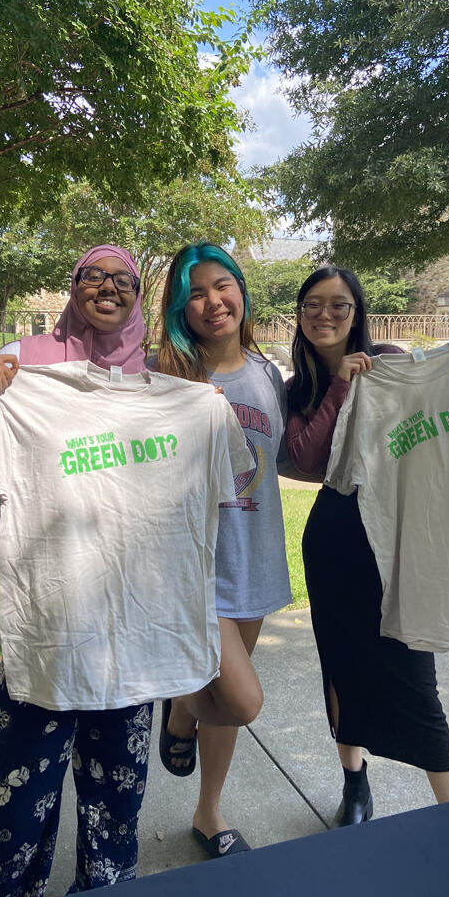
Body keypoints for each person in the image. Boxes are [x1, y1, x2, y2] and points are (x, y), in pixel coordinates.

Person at [0, 245, 252, 897]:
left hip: (135, 634)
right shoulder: (25, 369)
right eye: (92, 276)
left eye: (123, 280)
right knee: (16, 795)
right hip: (52, 627)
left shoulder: (169, 388)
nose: (106, 288)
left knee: (117, 796)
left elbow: (238, 477)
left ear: (138, 296)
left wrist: (211, 414)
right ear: (73, 285)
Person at [285, 265, 449, 827]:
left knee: (412, 669)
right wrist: (341, 386)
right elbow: (309, 460)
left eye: (339, 305)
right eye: (313, 304)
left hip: (399, 536)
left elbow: (438, 404)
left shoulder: (391, 358)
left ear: (358, 313)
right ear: (301, 316)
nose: (326, 315)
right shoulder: (301, 385)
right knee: (341, 667)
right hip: (336, 539)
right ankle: (355, 784)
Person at [154, 241, 293, 858]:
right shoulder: (164, 378)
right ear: (180, 311)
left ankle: (208, 811)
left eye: (222, 286)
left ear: (241, 289)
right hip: (196, 566)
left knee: (223, 709)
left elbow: (298, 449)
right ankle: (183, 704)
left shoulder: (267, 374)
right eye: (195, 294)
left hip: (255, 557)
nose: (212, 302)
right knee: (241, 697)